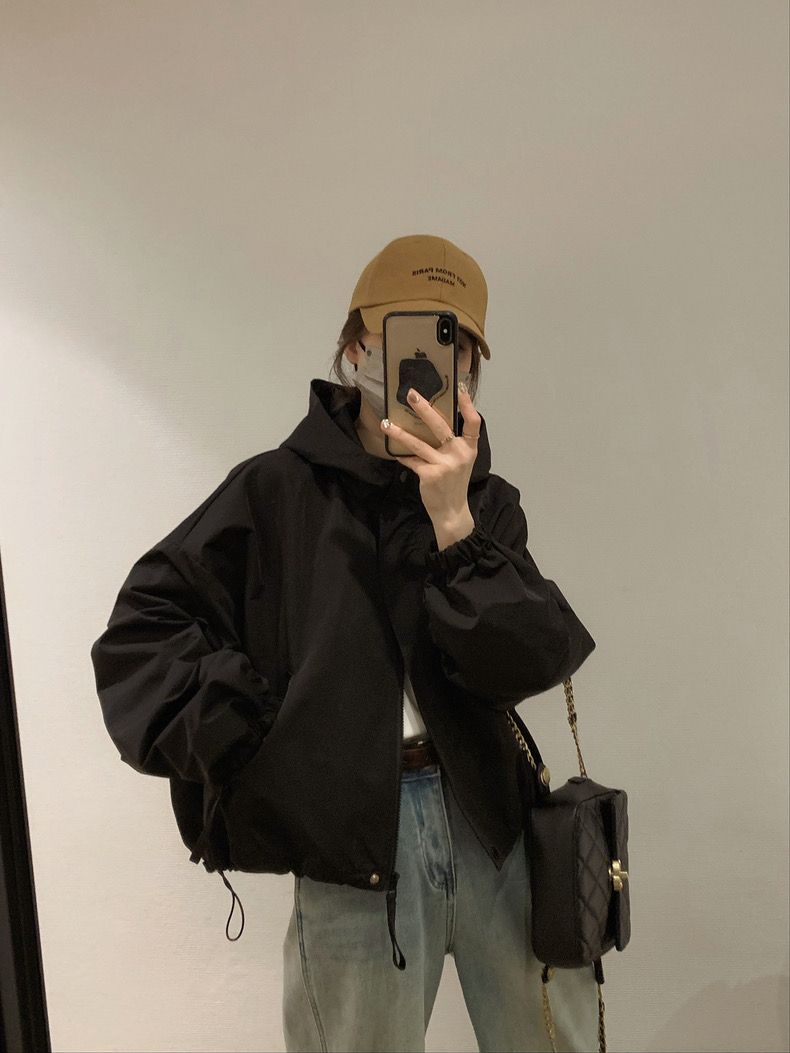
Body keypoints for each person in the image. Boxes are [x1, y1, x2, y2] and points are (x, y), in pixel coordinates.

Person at [91, 233, 600, 1052]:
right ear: (359, 343)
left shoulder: (484, 503)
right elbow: (142, 635)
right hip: (355, 846)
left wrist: (454, 523)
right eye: (408, 333)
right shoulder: (274, 491)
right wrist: (259, 733)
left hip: (493, 823)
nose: (434, 362)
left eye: (455, 344)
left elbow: (526, 662)